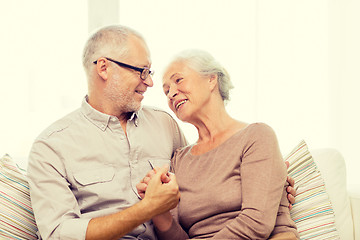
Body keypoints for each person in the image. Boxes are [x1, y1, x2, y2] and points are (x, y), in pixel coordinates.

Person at [27, 25, 296, 240]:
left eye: (153, 73)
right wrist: (147, 209)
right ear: (104, 68)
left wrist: (270, 177)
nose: (151, 83)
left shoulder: (165, 125)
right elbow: (59, 234)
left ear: (212, 79)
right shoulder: (52, 146)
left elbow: (210, 176)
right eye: (141, 71)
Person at [137, 49, 299, 239]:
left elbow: (257, 223)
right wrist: (158, 210)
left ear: (211, 79)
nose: (171, 93)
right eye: (166, 91)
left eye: (178, 80)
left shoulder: (256, 136)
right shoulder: (180, 159)